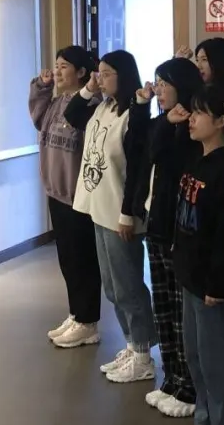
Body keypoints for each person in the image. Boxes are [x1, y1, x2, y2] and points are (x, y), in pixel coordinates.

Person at [169, 84, 224, 425]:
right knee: (198, 356)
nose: (192, 118)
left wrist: (219, 281)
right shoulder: (196, 157)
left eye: (200, 113)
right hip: (192, 273)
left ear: (221, 121)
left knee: (221, 360)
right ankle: (206, 421)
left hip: (215, 282)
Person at [67, 50, 157, 384]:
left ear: (124, 75)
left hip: (120, 212)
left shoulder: (135, 113)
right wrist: (89, 87)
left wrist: (128, 213)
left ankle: (144, 354)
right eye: (98, 73)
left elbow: (137, 168)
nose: (100, 79)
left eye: (106, 74)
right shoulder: (103, 107)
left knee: (128, 285)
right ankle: (132, 345)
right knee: (112, 287)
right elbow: (73, 115)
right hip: (98, 207)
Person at [131, 57, 204, 418]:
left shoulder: (195, 124)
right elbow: (144, 148)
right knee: (163, 308)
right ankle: (172, 378)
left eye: (165, 84)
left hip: (180, 231)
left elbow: (173, 161)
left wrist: (173, 126)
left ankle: (190, 386)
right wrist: (162, 121)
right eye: (156, 83)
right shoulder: (164, 122)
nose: (158, 90)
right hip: (157, 227)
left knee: (180, 312)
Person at [29, 46, 102, 348]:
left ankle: (88, 321)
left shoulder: (90, 106)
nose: (57, 71)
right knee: (67, 260)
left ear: (82, 72)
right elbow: (37, 117)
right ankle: (76, 314)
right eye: (56, 65)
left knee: (83, 260)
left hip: (78, 197)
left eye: (64, 66)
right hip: (56, 193)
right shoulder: (57, 102)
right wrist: (42, 87)